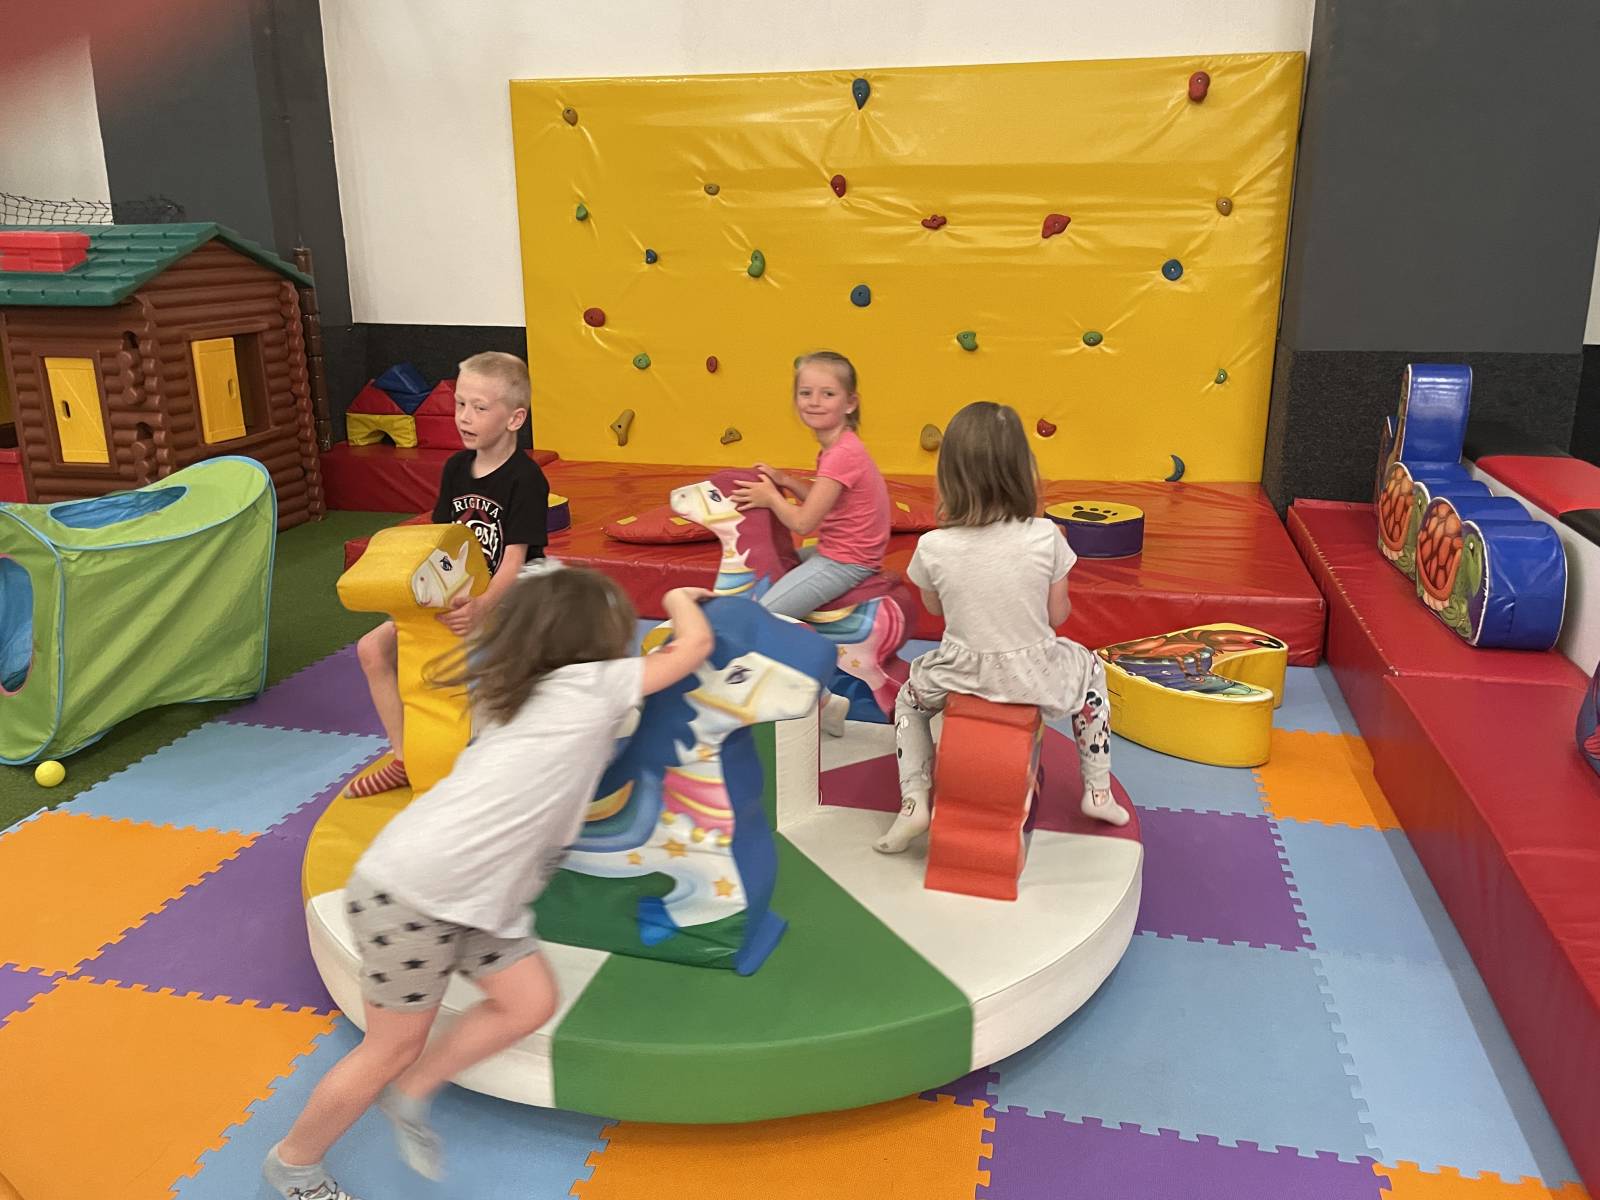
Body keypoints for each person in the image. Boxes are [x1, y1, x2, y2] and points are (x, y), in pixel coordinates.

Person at [263, 571, 715, 1200]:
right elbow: (691, 647)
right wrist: (677, 598)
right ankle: (295, 1163)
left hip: (478, 898)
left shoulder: (519, 691)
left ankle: (414, 1089)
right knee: (390, 1046)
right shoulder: (591, 685)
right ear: (597, 638)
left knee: (527, 1002)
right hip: (414, 895)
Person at [875, 402, 1128, 855]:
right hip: (1034, 674)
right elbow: (1057, 617)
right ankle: (1097, 789)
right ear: (1022, 471)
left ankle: (914, 798)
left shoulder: (932, 545)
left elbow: (934, 608)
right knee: (1091, 671)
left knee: (909, 702)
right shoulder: (1047, 536)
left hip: (960, 672)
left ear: (950, 477)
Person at [350, 351, 550, 798]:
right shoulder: (456, 468)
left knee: (485, 675)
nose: (464, 417)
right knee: (372, 649)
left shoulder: (526, 479)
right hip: (458, 591)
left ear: (515, 418)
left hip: (512, 593)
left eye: (480, 408)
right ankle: (404, 757)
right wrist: (417, 602)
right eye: (460, 404)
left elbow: (515, 560)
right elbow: (440, 542)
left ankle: (499, 768)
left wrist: (482, 606)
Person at [729, 351, 890, 620]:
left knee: (762, 615)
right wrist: (786, 481)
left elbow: (803, 523)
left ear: (850, 403)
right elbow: (825, 502)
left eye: (828, 394)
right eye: (805, 393)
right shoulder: (839, 446)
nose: (814, 402)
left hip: (844, 561)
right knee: (771, 565)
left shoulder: (842, 454)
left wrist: (771, 498)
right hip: (839, 551)